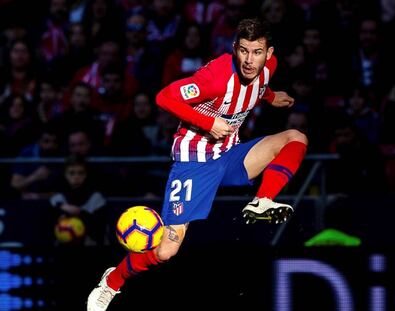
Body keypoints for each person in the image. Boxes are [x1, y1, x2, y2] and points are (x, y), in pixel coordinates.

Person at [87, 17, 308, 311]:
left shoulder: (269, 69)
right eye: (243, 51)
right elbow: (164, 97)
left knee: (296, 137)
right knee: (166, 251)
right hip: (194, 162)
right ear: (234, 48)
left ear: (269, 54)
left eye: (256, 52)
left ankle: (262, 200)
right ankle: (112, 281)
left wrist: (271, 97)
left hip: (229, 155)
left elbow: (257, 87)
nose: (248, 60)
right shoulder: (216, 78)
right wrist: (208, 122)